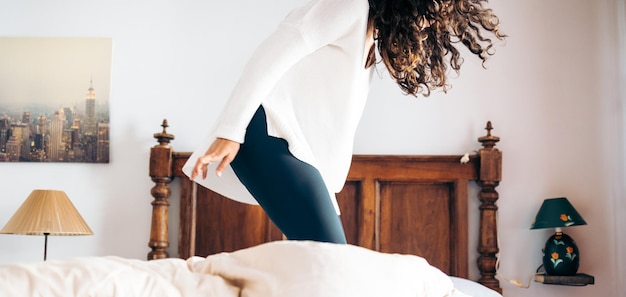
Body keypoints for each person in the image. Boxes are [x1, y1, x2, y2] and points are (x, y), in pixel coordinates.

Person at [184, 0, 505, 244]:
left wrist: (325, 193)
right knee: (334, 264)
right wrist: (231, 131)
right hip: (266, 135)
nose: (432, 16)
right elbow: (269, 55)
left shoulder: (369, 34)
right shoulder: (350, 5)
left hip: (290, 147)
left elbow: (326, 125)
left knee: (329, 264)